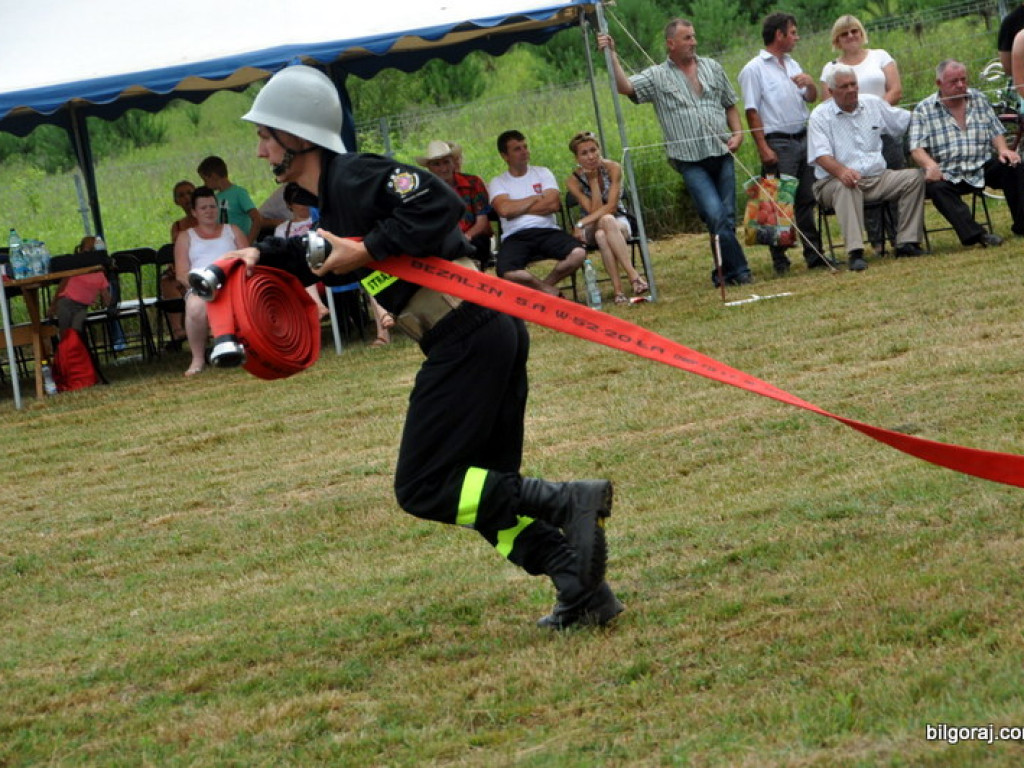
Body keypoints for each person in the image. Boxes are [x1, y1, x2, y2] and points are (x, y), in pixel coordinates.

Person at [227, 65, 622, 630]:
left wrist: (368, 252)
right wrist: (258, 258)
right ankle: (579, 587)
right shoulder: (333, 200)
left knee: (423, 486)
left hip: (468, 333)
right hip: (478, 330)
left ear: (300, 137)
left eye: (267, 135)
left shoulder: (355, 174)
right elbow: (326, 253)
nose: (261, 149)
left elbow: (436, 202)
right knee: (482, 490)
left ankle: (567, 501)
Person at [599, 19, 751, 288]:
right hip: (688, 159)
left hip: (722, 150)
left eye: (693, 37)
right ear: (671, 44)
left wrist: (738, 133)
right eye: (687, 38)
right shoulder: (657, 75)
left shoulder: (713, 67)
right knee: (715, 214)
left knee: (725, 217)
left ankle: (724, 273)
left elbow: (729, 104)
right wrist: (611, 54)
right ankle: (741, 271)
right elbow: (624, 87)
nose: (693, 42)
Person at [807, 66, 926, 271]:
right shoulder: (819, 115)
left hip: (877, 178)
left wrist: (931, 110)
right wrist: (842, 172)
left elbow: (907, 121)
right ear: (832, 92)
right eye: (845, 86)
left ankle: (906, 242)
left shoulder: (873, 104)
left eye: (854, 84)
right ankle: (855, 253)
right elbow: (821, 156)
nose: (851, 89)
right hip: (832, 183)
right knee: (846, 185)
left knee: (914, 177)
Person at [739, 12, 825, 274]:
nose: (797, 38)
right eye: (793, 33)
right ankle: (780, 259)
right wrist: (763, 147)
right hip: (778, 142)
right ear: (780, 35)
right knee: (777, 201)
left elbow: (810, 98)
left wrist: (810, 85)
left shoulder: (793, 64)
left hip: (803, 137)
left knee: (806, 198)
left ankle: (814, 254)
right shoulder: (753, 69)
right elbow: (752, 111)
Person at [910, 59, 1024, 246]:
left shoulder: (979, 99)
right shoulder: (923, 109)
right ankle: (978, 235)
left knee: (1014, 166)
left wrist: (1003, 150)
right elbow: (916, 148)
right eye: (954, 82)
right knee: (935, 188)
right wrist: (930, 166)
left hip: (980, 165)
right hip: (948, 172)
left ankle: (1022, 224)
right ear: (939, 83)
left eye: (963, 79)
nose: (961, 85)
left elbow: (995, 131)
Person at [820, 15, 904, 254]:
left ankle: (900, 237)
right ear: (837, 39)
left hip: (884, 130)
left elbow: (895, 90)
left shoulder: (880, 56)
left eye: (854, 31)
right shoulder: (831, 68)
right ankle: (876, 241)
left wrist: (874, 115)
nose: (851, 36)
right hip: (851, 137)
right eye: (844, 33)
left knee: (892, 181)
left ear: (862, 32)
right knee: (862, 183)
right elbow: (827, 104)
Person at [488, 129, 586, 297]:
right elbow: (504, 210)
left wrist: (516, 207)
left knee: (578, 254)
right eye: (517, 149)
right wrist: (535, 198)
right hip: (515, 236)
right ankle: (549, 292)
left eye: (525, 146)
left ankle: (544, 288)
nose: (524, 152)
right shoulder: (498, 182)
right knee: (507, 273)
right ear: (504, 156)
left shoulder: (543, 173)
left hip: (547, 231)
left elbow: (553, 204)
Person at [564, 131, 648, 304]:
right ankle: (634, 277)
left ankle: (618, 291)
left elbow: (611, 207)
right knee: (603, 223)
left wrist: (580, 223)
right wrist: (593, 182)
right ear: (577, 158)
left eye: (593, 150)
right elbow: (593, 211)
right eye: (584, 153)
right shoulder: (573, 180)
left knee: (604, 230)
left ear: (599, 149)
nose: (591, 156)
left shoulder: (613, 168)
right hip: (590, 226)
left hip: (618, 221)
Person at [174, 185, 250, 376]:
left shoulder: (232, 230)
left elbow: (248, 258)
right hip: (200, 285)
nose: (209, 211)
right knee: (194, 308)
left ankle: (250, 349)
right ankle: (198, 359)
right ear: (194, 212)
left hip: (233, 283)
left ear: (218, 208)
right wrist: (201, 285)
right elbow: (181, 273)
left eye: (212, 206)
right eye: (203, 208)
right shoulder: (185, 237)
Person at [418, 139, 494, 268]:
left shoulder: (473, 183)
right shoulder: (423, 192)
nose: (443, 168)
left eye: (446, 162)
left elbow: (482, 222)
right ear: (429, 168)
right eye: (437, 164)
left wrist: (466, 237)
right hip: (443, 244)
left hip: (472, 238)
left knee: (479, 243)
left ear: (453, 162)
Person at [274, 183, 330, 319]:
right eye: (298, 201)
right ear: (289, 205)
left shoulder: (319, 220)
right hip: (300, 273)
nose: (303, 204)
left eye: (305, 199)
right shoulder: (282, 229)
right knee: (298, 266)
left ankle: (318, 307)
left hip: (325, 269)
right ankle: (318, 306)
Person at [46, 236, 111, 334]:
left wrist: (112, 306)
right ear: (80, 252)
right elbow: (62, 286)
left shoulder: (99, 273)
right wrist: (53, 305)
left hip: (82, 307)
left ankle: (76, 346)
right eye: (88, 251)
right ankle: (66, 347)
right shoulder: (75, 268)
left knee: (77, 329)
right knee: (65, 329)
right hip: (66, 302)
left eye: (94, 251)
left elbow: (106, 296)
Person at [197, 155, 261, 243]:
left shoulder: (239, 193)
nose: (205, 184)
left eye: (205, 180)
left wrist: (248, 241)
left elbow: (257, 218)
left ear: (214, 176)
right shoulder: (214, 198)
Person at [163, 180, 196, 346]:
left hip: (203, 266)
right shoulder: (177, 226)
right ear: (176, 201)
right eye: (181, 195)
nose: (186, 198)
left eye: (190, 193)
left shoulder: (207, 217)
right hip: (184, 268)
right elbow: (176, 251)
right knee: (167, 281)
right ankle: (178, 331)